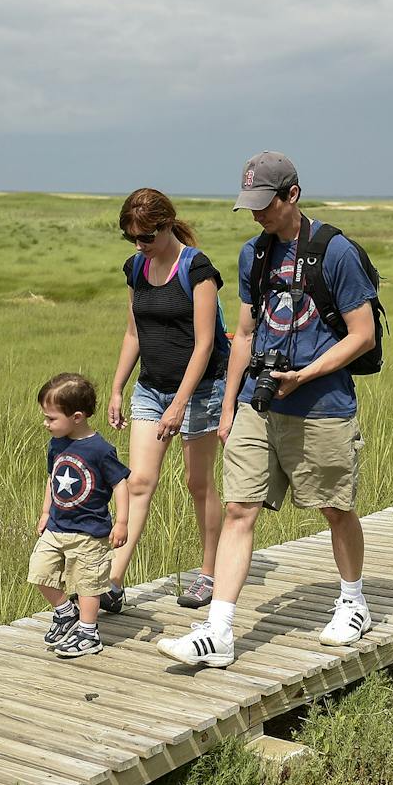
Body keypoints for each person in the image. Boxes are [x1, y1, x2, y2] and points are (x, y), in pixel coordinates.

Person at [158, 152, 377, 669]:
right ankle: (219, 630)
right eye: (250, 205)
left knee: (334, 507)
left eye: (265, 204)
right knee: (239, 507)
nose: (257, 214)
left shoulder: (334, 252)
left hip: (321, 404)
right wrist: (229, 404)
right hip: (257, 401)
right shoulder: (252, 255)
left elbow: (363, 335)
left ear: (293, 195)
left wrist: (306, 374)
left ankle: (354, 601)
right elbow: (246, 334)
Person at [105, 189, 228, 613]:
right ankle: (114, 580)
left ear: (166, 225)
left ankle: (208, 574)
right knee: (139, 481)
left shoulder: (197, 270)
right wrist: (118, 387)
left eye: (146, 237)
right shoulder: (136, 268)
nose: (139, 246)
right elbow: (133, 333)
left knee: (198, 484)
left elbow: (205, 344)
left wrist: (180, 403)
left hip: (201, 390)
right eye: (131, 239)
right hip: (150, 387)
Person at [28, 373, 130, 659]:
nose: (45, 424)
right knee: (40, 571)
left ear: (76, 417)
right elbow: (52, 478)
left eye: (51, 418)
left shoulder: (99, 450)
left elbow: (120, 483)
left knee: (88, 583)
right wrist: (46, 511)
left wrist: (121, 522)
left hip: (89, 532)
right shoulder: (56, 444)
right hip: (57, 527)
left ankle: (88, 632)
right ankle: (64, 612)